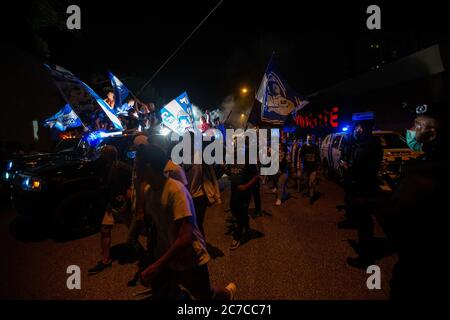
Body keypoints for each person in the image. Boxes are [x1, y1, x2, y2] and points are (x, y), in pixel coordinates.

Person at [136, 144, 236, 300]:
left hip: (190, 259)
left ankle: (227, 294)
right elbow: (156, 226)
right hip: (168, 257)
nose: (134, 168)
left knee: (204, 296)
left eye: (137, 163)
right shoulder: (149, 191)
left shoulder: (176, 191)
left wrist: (157, 265)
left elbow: (185, 238)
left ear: (147, 166)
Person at [379, 102, 450, 299]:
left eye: (418, 126)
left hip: (418, 263)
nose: (411, 130)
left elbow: (393, 217)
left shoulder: (424, 171)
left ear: (432, 134)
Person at [345, 121, 383, 269]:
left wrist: (348, 168)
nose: (355, 131)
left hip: (362, 188)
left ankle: (365, 259)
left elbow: (357, 169)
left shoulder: (364, 148)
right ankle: (366, 253)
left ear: (362, 131)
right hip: (370, 186)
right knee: (366, 222)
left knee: (364, 224)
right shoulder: (375, 145)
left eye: (357, 129)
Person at [88, 145, 132, 274]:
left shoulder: (122, 167)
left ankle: (144, 254)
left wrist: (126, 193)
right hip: (110, 204)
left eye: (103, 154)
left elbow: (134, 179)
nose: (100, 156)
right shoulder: (102, 167)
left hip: (123, 203)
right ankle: (105, 260)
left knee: (134, 229)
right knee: (105, 229)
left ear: (109, 155)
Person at [224, 144, 259, 249]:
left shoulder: (249, 159)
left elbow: (256, 176)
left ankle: (237, 238)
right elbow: (230, 172)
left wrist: (245, 186)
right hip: (234, 190)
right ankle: (245, 221)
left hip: (245, 192)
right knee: (233, 208)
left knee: (241, 212)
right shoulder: (232, 159)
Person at [299, 134, 321, 204]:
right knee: (307, 182)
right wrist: (300, 165)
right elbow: (300, 156)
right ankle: (309, 192)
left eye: (311, 139)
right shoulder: (304, 147)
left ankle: (311, 197)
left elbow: (318, 157)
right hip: (306, 168)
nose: (310, 140)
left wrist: (318, 167)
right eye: (309, 138)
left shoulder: (315, 147)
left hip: (313, 168)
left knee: (311, 183)